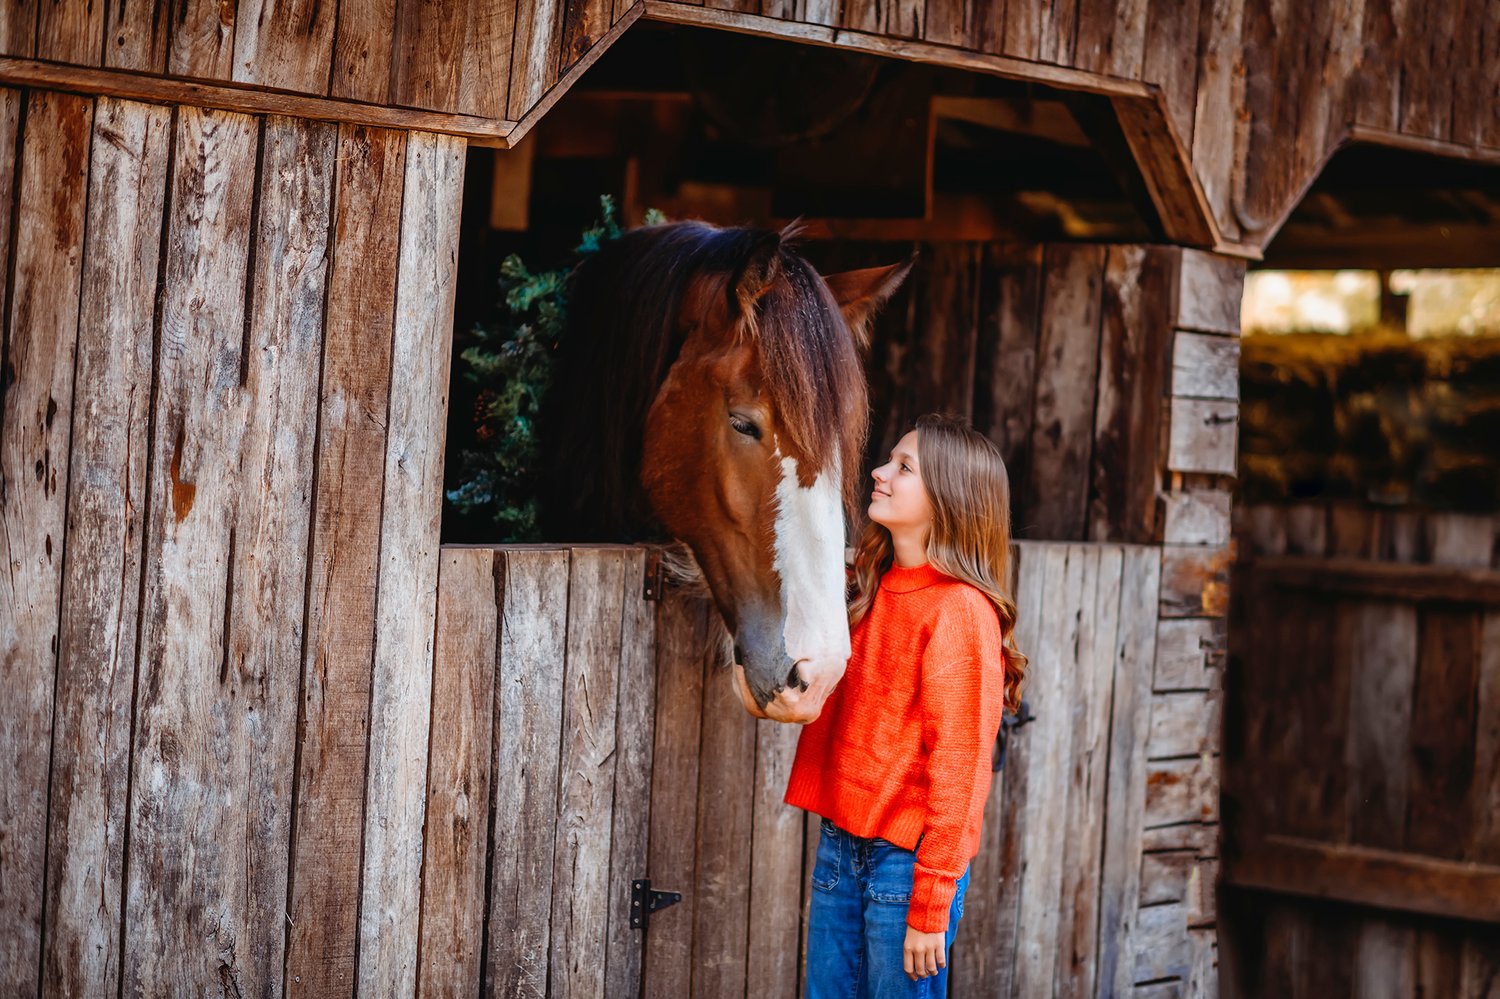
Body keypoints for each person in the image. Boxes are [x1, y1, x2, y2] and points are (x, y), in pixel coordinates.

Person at [782, 413, 1027, 998]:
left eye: (904, 467)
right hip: (840, 846)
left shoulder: (960, 610)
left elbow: (962, 773)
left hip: (907, 865)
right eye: (889, 460)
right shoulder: (866, 583)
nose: (879, 471)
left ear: (948, 497)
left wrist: (932, 902)